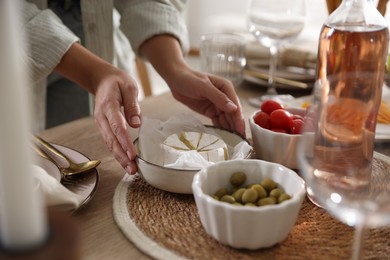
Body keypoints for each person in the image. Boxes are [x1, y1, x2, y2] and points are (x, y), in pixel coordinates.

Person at [24, 0, 245, 175]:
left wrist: (175, 68)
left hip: (100, 39)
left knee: (81, 161)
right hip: (15, 56)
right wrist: (96, 74)